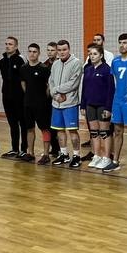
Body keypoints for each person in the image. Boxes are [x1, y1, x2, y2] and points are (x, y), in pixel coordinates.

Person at [49, 39, 84, 168]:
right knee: (59, 131)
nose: (62, 52)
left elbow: (73, 83)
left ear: (69, 49)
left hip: (70, 103)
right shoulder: (55, 64)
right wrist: (55, 95)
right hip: (56, 103)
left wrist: (56, 90)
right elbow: (51, 81)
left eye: (64, 50)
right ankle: (64, 154)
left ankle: (77, 156)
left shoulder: (76, 63)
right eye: (59, 50)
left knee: (72, 131)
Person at [108, 33, 127, 173]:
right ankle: (115, 161)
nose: (122, 45)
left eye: (125, 43)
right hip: (117, 102)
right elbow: (114, 82)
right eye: (120, 42)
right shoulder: (115, 61)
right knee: (117, 131)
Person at [81, 44, 115, 168]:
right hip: (90, 105)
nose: (92, 56)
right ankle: (96, 156)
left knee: (104, 132)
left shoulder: (107, 69)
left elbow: (111, 90)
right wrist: (83, 105)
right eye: (90, 54)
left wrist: (108, 108)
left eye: (95, 54)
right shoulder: (88, 69)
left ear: (101, 55)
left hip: (102, 106)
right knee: (94, 133)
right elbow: (84, 89)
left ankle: (106, 157)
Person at [19, 43, 53, 164]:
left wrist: (42, 98)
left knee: (45, 129)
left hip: (42, 104)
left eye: (34, 52)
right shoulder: (23, 68)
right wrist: (29, 96)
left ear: (38, 53)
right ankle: (30, 153)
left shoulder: (44, 68)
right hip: (28, 104)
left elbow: (49, 85)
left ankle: (46, 155)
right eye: (30, 51)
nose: (32, 54)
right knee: (29, 129)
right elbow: (23, 84)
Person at [0, 36, 26, 159]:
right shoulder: (2, 61)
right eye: (6, 44)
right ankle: (14, 149)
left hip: (20, 97)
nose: (7, 46)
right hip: (6, 97)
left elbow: (24, 79)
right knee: (12, 124)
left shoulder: (21, 60)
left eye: (10, 44)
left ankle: (24, 149)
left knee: (23, 123)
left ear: (16, 46)